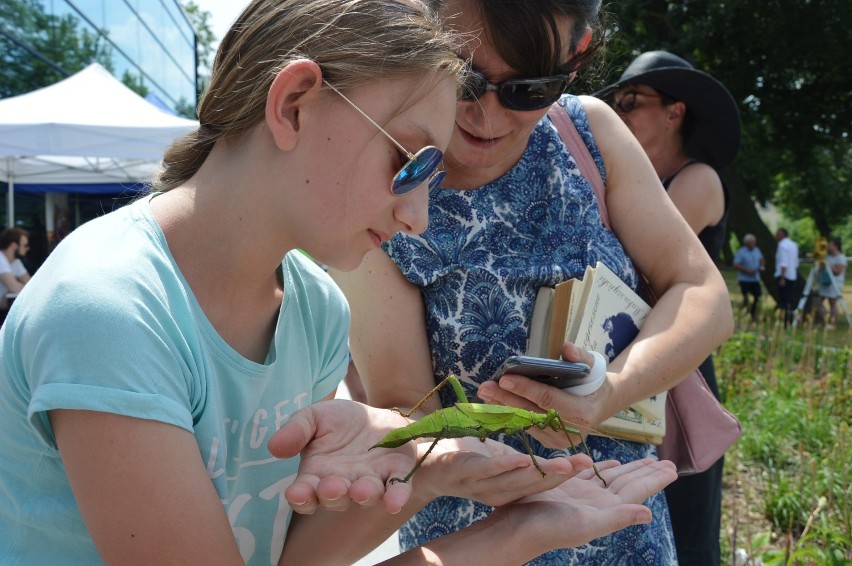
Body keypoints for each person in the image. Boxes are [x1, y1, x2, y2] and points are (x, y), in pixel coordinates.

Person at [0, 1, 680, 564]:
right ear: (296, 103)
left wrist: (424, 470)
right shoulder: (112, 310)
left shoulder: (315, 308)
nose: (417, 218)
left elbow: (286, 557)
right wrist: (513, 535)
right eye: (411, 163)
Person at [333, 2, 733, 564]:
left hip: (621, 517)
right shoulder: (384, 180)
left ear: (576, 56)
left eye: (528, 89)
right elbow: (406, 405)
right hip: (470, 535)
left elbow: (705, 295)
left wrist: (610, 391)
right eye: (462, 76)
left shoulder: (587, 131)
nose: (487, 116)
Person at [597, 49, 742, 566]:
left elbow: (631, 260)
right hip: (630, 363)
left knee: (685, 524)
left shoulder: (698, 178)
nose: (619, 113)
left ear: (675, 111)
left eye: (631, 102)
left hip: (675, 368)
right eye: (614, 104)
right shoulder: (635, 186)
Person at [0, 227, 31, 321]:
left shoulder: (15, 262)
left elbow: (32, 284)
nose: (28, 248)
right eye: (25, 245)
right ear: (14, 246)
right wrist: (17, 286)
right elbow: (13, 287)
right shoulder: (0, 258)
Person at [816, 237, 847, 328]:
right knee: (817, 301)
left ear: (836, 246)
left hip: (834, 283)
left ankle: (833, 323)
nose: (828, 246)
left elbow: (837, 272)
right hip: (824, 282)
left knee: (832, 302)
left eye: (830, 245)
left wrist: (829, 265)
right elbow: (821, 270)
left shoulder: (841, 258)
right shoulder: (827, 257)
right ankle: (824, 319)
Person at [733, 234, 765, 320]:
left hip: (755, 278)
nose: (754, 244)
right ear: (747, 243)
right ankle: (746, 312)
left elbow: (761, 259)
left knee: (757, 295)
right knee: (746, 296)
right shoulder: (741, 252)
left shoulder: (757, 250)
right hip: (745, 279)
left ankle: (753, 313)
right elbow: (736, 264)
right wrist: (747, 270)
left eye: (754, 242)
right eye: (752, 242)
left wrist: (761, 267)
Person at [774, 227, 799, 326]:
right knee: (788, 298)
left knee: (783, 299)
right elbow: (795, 261)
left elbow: (783, 262)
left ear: (782, 235)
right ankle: (789, 318)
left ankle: (785, 319)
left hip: (784, 275)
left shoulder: (782, 245)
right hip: (792, 274)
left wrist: (783, 277)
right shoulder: (794, 245)